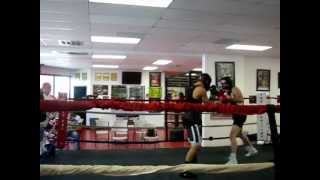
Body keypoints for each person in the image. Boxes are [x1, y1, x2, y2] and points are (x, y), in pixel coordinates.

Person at [218, 77, 258, 164]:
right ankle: (252, 149)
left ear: (228, 82)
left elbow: (239, 99)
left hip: (240, 114)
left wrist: (227, 98)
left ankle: (233, 159)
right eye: (222, 83)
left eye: (224, 83)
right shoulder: (228, 91)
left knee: (232, 135)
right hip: (236, 115)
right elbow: (229, 102)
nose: (223, 84)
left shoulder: (234, 88)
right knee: (240, 134)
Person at [179, 73, 212, 178]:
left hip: (187, 117)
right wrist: (214, 95)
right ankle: (185, 170)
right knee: (196, 145)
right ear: (206, 82)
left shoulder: (190, 87)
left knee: (194, 143)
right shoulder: (201, 90)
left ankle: (192, 166)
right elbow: (208, 104)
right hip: (193, 119)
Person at [40, 82, 58, 158]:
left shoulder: (53, 98)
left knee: (49, 136)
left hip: (49, 120)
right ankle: (42, 151)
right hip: (42, 119)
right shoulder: (41, 96)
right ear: (43, 88)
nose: (49, 89)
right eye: (47, 88)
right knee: (42, 136)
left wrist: (54, 118)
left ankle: (46, 151)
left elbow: (56, 109)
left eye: (50, 88)